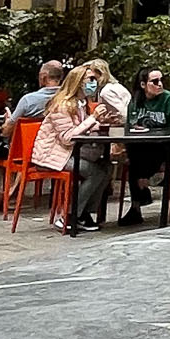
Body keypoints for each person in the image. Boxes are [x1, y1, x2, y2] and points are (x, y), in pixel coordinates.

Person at [31, 64, 112, 231]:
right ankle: (68, 215)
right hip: (52, 154)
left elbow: (80, 127)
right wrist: (92, 119)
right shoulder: (61, 105)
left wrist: (100, 122)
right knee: (93, 171)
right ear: (77, 82)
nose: (94, 83)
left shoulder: (81, 103)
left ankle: (83, 213)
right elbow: (68, 137)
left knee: (107, 166)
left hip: (69, 152)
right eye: (90, 79)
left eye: (95, 80)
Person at [119, 65, 170, 226]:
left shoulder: (169, 99)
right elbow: (130, 125)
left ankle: (143, 184)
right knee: (133, 151)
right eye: (155, 81)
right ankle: (141, 195)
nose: (160, 84)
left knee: (139, 160)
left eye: (162, 80)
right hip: (143, 146)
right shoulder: (135, 101)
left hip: (168, 146)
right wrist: (137, 127)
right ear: (143, 85)